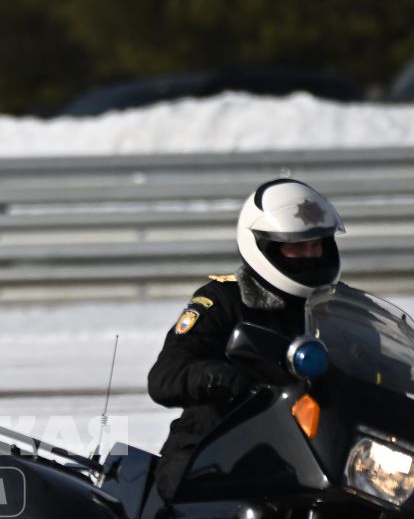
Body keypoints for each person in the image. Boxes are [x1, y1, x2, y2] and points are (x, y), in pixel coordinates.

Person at [146, 179, 344, 501]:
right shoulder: (223, 300)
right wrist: (220, 377)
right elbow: (165, 375)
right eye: (296, 246)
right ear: (265, 246)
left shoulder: (333, 309)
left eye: (317, 244)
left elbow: (379, 369)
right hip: (215, 457)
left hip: (309, 459)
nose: (310, 255)